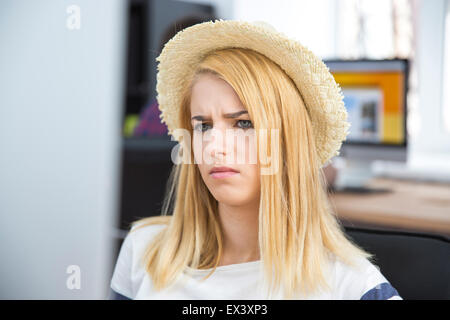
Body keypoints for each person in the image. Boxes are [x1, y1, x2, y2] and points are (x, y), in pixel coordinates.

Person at [110, 20, 401, 300]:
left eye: (244, 124)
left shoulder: (351, 285)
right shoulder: (144, 249)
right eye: (203, 126)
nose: (214, 148)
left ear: (290, 141)